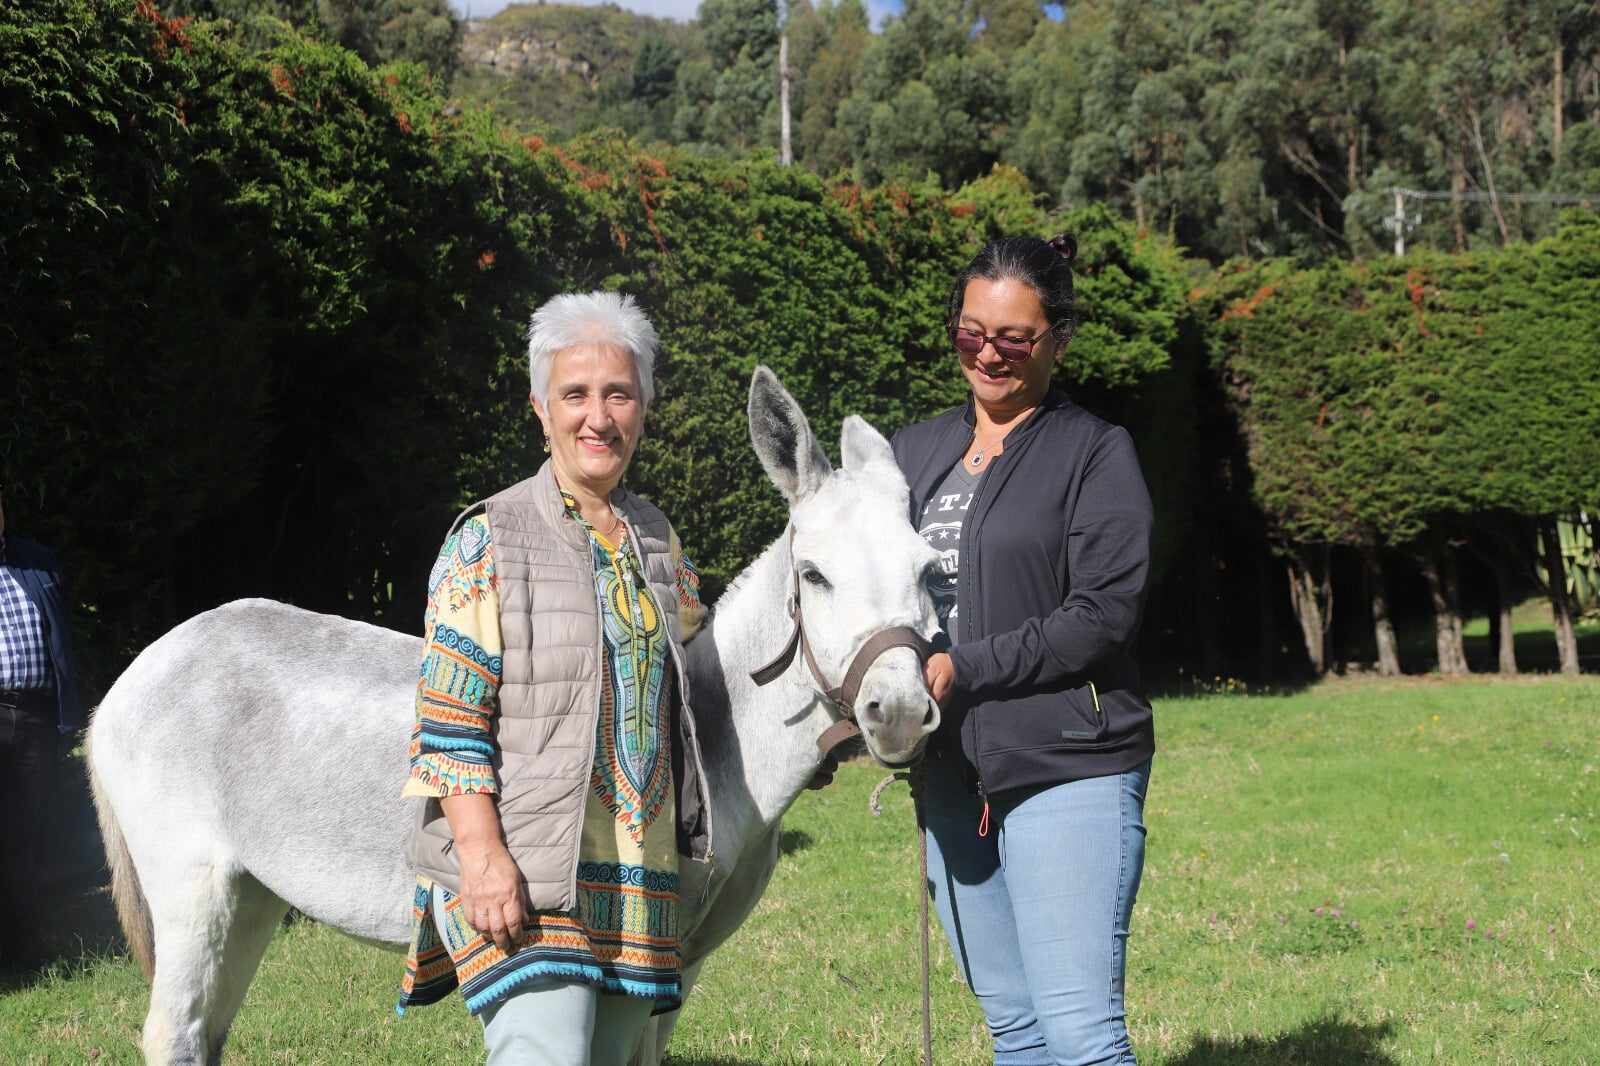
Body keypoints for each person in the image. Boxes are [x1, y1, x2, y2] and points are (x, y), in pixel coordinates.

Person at [396, 292, 712, 1066]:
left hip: (636, 882)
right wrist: (480, 855)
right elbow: (448, 723)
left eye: (619, 394)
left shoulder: (658, 542)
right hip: (526, 872)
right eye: (575, 394)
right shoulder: (489, 538)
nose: (597, 417)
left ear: (643, 409)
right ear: (540, 408)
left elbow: (702, 677)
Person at [891, 234, 1156, 1066]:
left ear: (1058, 340)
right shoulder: (911, 453)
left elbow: (1101, 614)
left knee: (1080, 1035)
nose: (990, 355)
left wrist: (963, 666)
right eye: (972, 333)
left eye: (1015, 338)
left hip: (1066, 761)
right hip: (947, 770)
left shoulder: (1095, 452)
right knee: (1015, 1028)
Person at [0, 485, 85, 965]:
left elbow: (61, 640)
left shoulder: (39, 562)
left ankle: (30, 946)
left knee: (34, 831)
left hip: (34, 715)